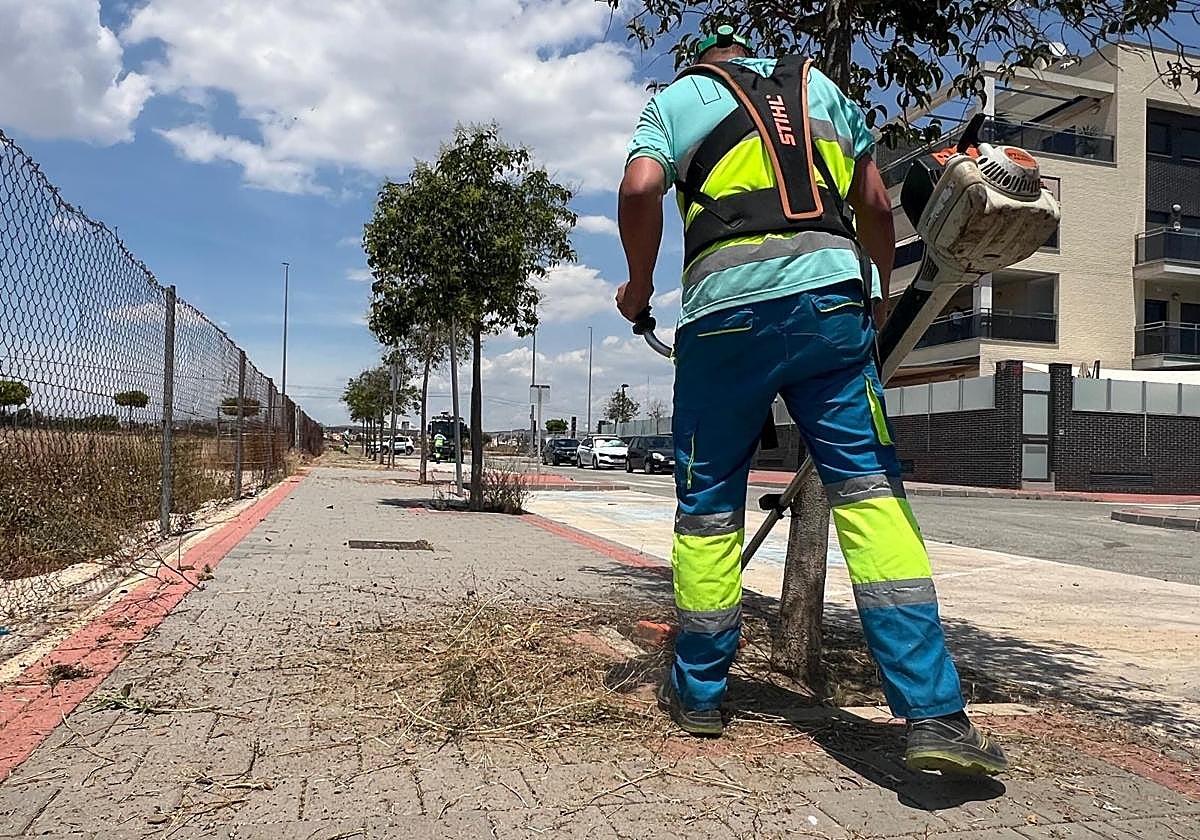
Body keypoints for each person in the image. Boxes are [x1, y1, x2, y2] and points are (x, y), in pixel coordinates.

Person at [615, 26, 1007, 775]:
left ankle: (699, 695)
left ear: (703, 62)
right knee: (870, 497)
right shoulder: (822, 88)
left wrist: (637, 289)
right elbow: (875, 206)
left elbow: (639, 190)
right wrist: (878, 290)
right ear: (754, 58)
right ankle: (935, 716)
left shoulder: (677, 99)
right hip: (831, 309)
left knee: (708, 507)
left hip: (721, 324)